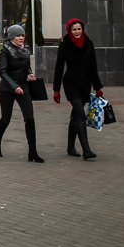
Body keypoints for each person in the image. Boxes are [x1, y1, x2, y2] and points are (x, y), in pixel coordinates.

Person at [52, 18, 104, 160]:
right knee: (80, 112)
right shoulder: (64, 45)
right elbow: (59, 67)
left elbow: (93, 66)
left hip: (85, 84)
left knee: (76, 114)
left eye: (79, 29)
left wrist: (98, 87)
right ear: (69, 31)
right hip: (71, 83)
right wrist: (56, 90)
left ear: (83, 29)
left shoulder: (89, 44)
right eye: (74, 29)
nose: (77, 32)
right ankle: (86, 150)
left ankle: (70, 147)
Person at [0, 24, 44, 163]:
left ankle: (33, 152)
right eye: (18, 36)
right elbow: (2, 72)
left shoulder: (26, 49)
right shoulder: (5, 52)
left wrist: (30, 74)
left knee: (30, 119)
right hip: (7, 90)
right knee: (6, 119)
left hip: (24, 88)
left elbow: (27, 67)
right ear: (11, 38)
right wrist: (14, 86)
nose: (21, 38)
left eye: (22, 35)